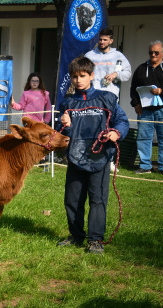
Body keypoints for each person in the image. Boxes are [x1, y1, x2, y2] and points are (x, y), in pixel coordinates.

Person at [56, 56, 129, 255]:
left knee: (98, 200)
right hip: (75, 159)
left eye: (82, 75)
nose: (78, 80)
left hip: (100, 158)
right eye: (74, 76)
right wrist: (65, 125)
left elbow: (122, 121)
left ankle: (95, 240)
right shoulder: (67, 103)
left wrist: (116, 132)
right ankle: (76, 236)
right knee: (72, 200)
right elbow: (60, 134)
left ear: (91, 75)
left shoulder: (107, 98)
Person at [129, 40, 163, 174]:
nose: (153, 55)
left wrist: (161, 91)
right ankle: (145, 166)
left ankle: (162, 167)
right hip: (144, 110)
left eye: (156, 52)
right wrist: (136, 104)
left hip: (161, 109)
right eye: (151, 53)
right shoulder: (141, 69)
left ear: (161, 53)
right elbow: (133, 89)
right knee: (143, 138)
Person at [85, 27, 132, 99]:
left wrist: (116, 74)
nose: (102, 42)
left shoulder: (118, 55)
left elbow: (128, 73)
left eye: (105, 40)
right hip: (92, 95)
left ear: (111, 41)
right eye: (100, 39)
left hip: (111, 96)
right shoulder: (89, 55)